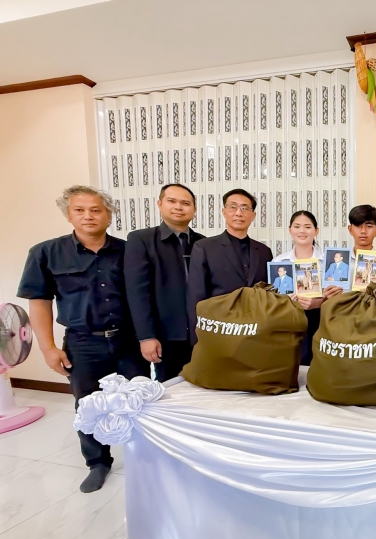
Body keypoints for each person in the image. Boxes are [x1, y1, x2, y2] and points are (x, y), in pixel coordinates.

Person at [17, 185, 149, 493]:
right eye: (80, 210)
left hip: (128, 340)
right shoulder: (46, 252)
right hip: (83, 342)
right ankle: (98, 462)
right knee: (88, 405)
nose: (88, 216)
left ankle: (144, 457)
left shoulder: (128, 251)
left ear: (109, 215)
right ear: (68, 215)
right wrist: (48, 348)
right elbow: (39, 303)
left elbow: (144, 296)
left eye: (96, 210)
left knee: (139, 400)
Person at [124, 183, 204, 382]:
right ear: (160, 204)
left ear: (194, 209)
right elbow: (137, 292)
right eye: (172, 201)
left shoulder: (203, 243)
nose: (178, 207)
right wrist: (146, 336)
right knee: (170, 387)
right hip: (165, 334)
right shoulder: (141, 239)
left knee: (203, 386)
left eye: (185, 203)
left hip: (201, 333)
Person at [187, 189, 273, 343]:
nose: (238, 213)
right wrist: (197, 337)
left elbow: (269, 292)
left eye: (245, 208)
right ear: (224, 212)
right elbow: (196, 295)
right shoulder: (204, 247)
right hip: (219, 330)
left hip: (256, 332)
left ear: (253, 215)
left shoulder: (264, 251)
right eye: (233, 207)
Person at [273, 210, 331, 365]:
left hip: (320, 319)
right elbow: (272, 297)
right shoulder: (279, 262)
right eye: (297, 226)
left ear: (316, 231)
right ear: (290, 230)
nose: (302, 231)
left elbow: (338, 296)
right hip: (288, 319)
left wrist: (317, 303)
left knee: (318, 362)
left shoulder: (326, 262)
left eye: (307, 227)